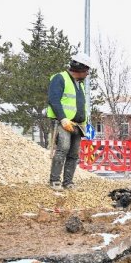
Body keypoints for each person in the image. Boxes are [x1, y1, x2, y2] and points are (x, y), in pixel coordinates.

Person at [47, 52, 92, 190]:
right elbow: (53, 100)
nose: (88, 73)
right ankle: (54, 180)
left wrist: (85, 123)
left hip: (78, 125)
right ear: (80, 68)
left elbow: (81, 105)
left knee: (73, 154)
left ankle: (68, 182)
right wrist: (62, 118)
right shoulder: (60, 78)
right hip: (63, 122)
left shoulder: (80, 85)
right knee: (63, 149)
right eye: (87, 70)